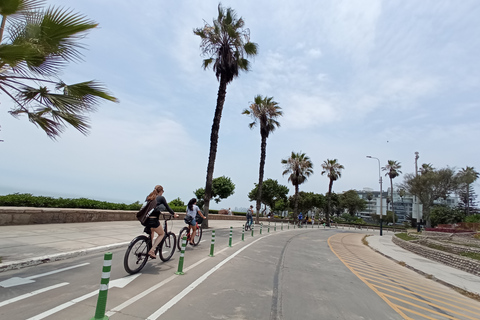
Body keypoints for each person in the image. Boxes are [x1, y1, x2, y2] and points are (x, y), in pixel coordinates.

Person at [145, 185, 178, 259]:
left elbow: (152, 208)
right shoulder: (161, 198)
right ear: (161, 191)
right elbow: (167, 207)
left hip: (146, 220)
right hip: (153, 220)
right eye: (162, 191)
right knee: (161, 234)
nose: (162, 193)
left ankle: (150, 247)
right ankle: (152, 250)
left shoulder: (149, 196)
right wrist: (174, 214)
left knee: (152, 232)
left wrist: (159, 212)